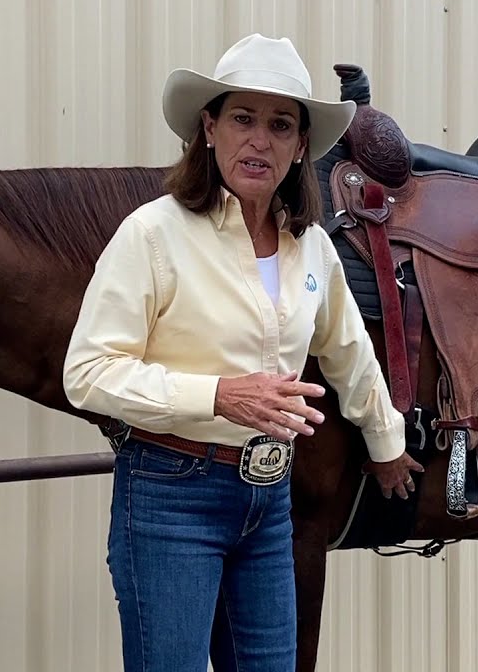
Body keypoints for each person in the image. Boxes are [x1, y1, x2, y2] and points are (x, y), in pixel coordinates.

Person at [62, 33, 425, 672]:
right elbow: (87, 374)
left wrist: (386, 441)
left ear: (300, 146)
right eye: (243, 119)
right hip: (171, 494)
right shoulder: (152, 234)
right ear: (209, 129)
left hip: (270, 496)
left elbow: (348, 351)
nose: (260, 140)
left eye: (280, 125)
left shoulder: (311, 247)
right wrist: (219, 395)